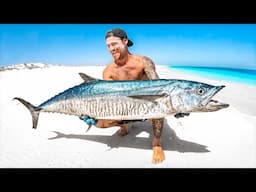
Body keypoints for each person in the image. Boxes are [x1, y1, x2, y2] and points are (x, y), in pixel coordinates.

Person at [81, 28, 189, 164]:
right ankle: (124, 125)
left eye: (114, 44)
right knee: (100, 124)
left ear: (125, 41)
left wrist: (177, 106)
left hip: (147, 103)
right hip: (126, 106)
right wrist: (93, 113)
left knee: (157, 106)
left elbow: (159, 87)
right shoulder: (109, 71)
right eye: (108, 46)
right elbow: (110, 99)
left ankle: (156, 144)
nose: (111, 49)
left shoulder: (143, 62)